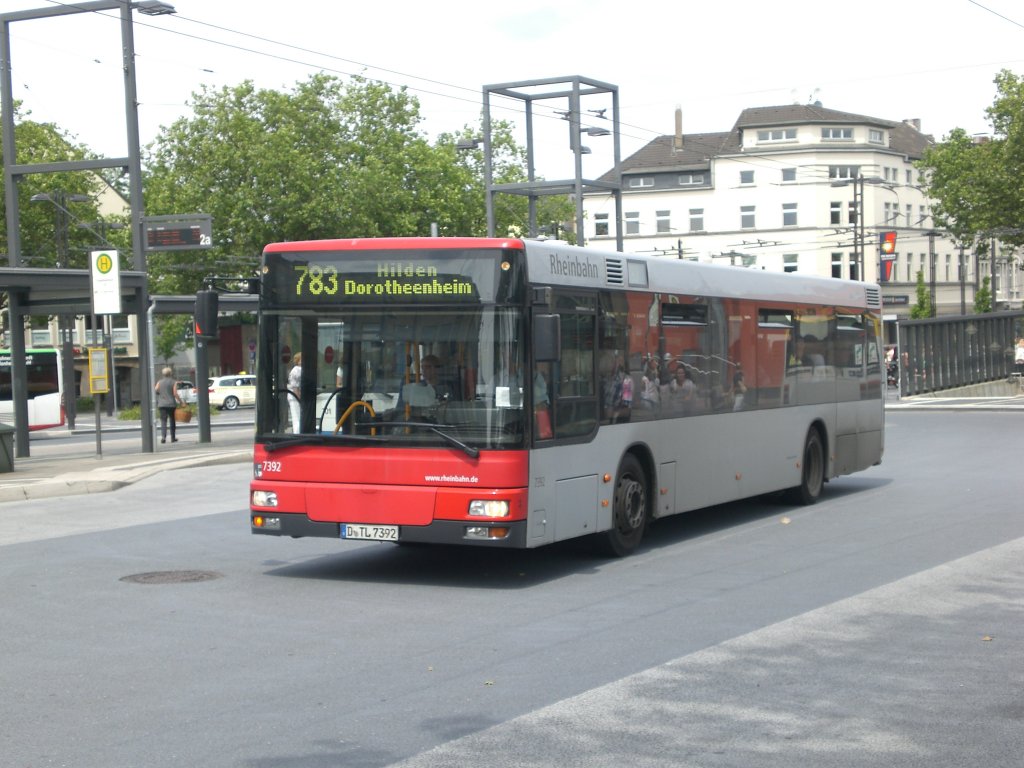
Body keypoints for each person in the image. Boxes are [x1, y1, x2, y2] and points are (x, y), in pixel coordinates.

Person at [154, 366, 182, 444]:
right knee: (172, 420)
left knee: (163, 421)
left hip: (162, 404)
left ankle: (163, 437)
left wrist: (159, 394)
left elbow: (156, 390)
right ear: (170, 373)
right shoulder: (174, 382)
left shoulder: (159, 382)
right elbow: (175, 393)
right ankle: (173, 438)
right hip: (171, 404)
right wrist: (180, 401)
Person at [287, 353, 302, 433]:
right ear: (298, 361)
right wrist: (299, 398)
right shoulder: (297, 370)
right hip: (295, 397)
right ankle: (297, 433)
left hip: (295, 396)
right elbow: (295, 387)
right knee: (297, 417)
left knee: (297, 417)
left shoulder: (298, 369)